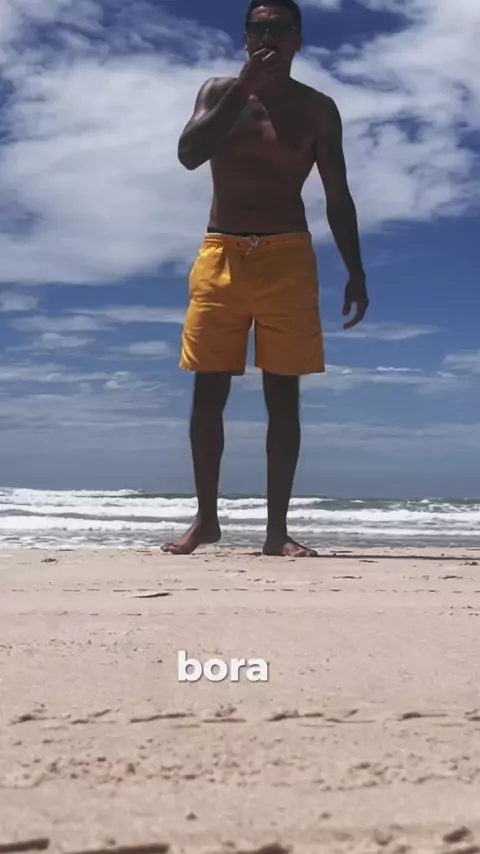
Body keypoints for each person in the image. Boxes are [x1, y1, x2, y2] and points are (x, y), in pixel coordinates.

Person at [163, 0, 369, 557]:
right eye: (258, 28)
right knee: (208, 393)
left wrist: (355, 269)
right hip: (221, 254)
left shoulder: (317, 109)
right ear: (244, 36)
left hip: (287, 257)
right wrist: (243, 87)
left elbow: (337, 195)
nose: (267, 37)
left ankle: (277, 533)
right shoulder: (218, 92)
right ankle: (206, 521)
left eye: (279, 28)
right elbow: (189, 154)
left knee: (284, 398)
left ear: (298, 39)